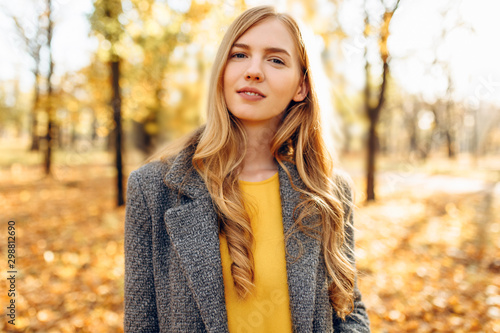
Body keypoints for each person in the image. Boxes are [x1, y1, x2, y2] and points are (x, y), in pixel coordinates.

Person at [124, 5, 370, 333]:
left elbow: (347, 309)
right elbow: (141, 323)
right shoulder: (152, 188)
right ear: (222, 70)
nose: (253, 70)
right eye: (239, 55)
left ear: (301, 87)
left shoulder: (329, 190)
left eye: (276, 59)